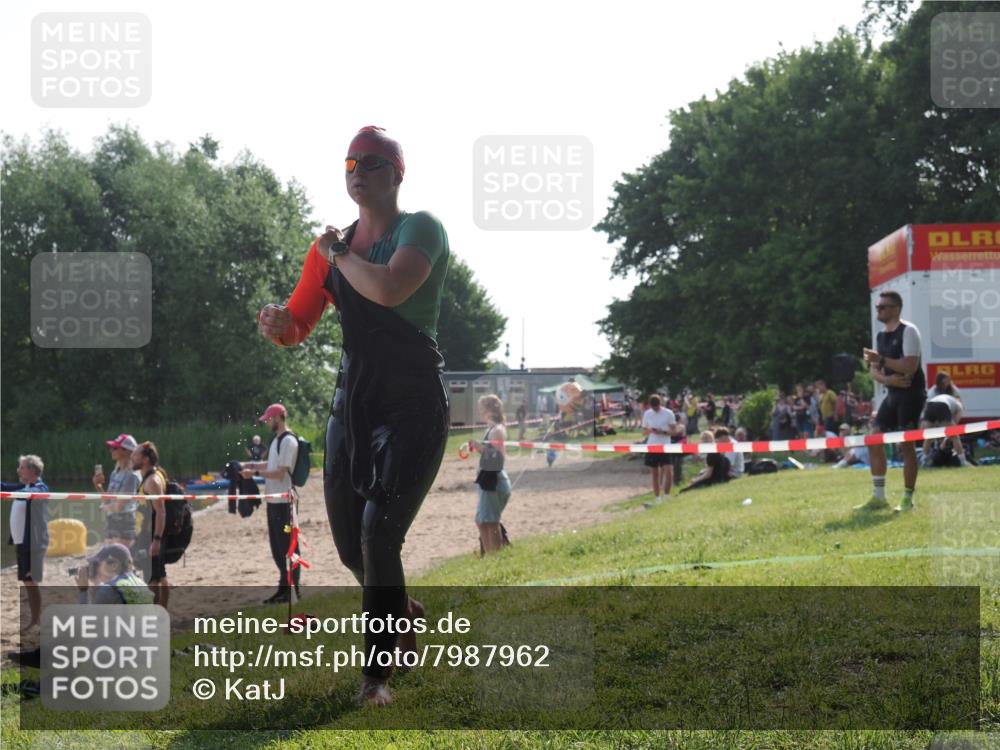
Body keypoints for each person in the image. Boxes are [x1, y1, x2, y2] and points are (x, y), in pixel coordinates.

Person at [255, 126, 450, 706]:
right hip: (352, 407)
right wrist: (277, 325)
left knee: (379, 532)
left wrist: (337, 252)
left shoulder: (420, 228)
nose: (355, 171)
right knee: (348, 549)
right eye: (348, 163)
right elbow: (298, 325)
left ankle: (375, 679)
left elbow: (389, 289)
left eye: (368, 162)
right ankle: (402, 609)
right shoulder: (329, 249)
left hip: (413, 403)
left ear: (396, 172)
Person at [856, 291, 926, 512]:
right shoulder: (880, 336)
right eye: (877, 307)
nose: (878, 310)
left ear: (896, 308)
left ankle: (907, 498)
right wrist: (887, 378)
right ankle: (879, 497)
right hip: (893, 394)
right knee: (874, 439)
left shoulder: (909, 331)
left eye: (883, 307)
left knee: (907, 446)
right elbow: (874, 372)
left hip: (911, 395)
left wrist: (882, 360)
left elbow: (910, 367)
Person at [241, 403, 301, 603]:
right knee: (277, 549)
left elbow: (280, 472)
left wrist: (255, 473)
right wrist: (248, 465)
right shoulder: (276, 441)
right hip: (273, 500)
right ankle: (283, 589)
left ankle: (292, 590)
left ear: (278, 418)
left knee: (288, 547)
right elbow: (271, 465)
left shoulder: (288, 441)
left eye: (269, 419)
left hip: (284, 501)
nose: (267, 422)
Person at [8, 455, 49, 633]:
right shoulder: (24, 487)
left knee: (32, 581)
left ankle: (36, 621)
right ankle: (35, 620)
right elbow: (4, 487)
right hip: (22, 542)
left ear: (32, 470)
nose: (18, 470)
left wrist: (18, 494)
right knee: (27, 581)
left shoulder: (39, 487)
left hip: (33, 543)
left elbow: (36, 494)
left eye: (22, 467)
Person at [132, 441, 171, 608]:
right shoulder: (151, 476)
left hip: (152, 535)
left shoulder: (152, 481)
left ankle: (156, 614)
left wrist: (156, 540)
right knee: (159, 575)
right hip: (147, 533)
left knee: (153, 578)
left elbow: (161, 511)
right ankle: (162, 612)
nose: (132, 457)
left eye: (136, 455)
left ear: (146, 459)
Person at [470, 395, 512, 554]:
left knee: (490, 521)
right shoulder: (491, 429)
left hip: (494, 480)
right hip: (487, 479)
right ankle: (488, 555)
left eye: (481, 407)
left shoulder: (497, 430)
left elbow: (498, 458)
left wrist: (479, 447)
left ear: (488, 409)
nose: (480, 411)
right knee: (481, 521)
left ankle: (495, 556)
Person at [93, 433, 141, 546]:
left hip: (125, 522)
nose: (111, 450)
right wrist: (98, 486)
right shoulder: (115, 472)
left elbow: (119, 506)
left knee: (120, 559)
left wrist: (104, 508)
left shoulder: (132, 476)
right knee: (109, 557)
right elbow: (108, 500)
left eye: (114, 448)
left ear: (125, 451)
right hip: (112, 521)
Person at [641, 395, 678, 506]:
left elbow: (674, 431)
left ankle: (666, 495)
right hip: (652, 445)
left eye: (656, 407)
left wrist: (663, 432)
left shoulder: (669, 413)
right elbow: (643, 431)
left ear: (660, 404)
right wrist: (651, 430)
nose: (655, 409)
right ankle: (657, 497)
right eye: (653, 407)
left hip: (665, 445)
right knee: (655, 473)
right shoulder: (647, 413)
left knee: (669, 471)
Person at [920, 392, 972, 467]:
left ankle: (923, 461)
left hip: (929, 405)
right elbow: (955, 423)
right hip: (942, 405)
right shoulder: (960, 406)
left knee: (928, 437)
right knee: (955, 435)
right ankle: (963, 461)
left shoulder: (950, 400)